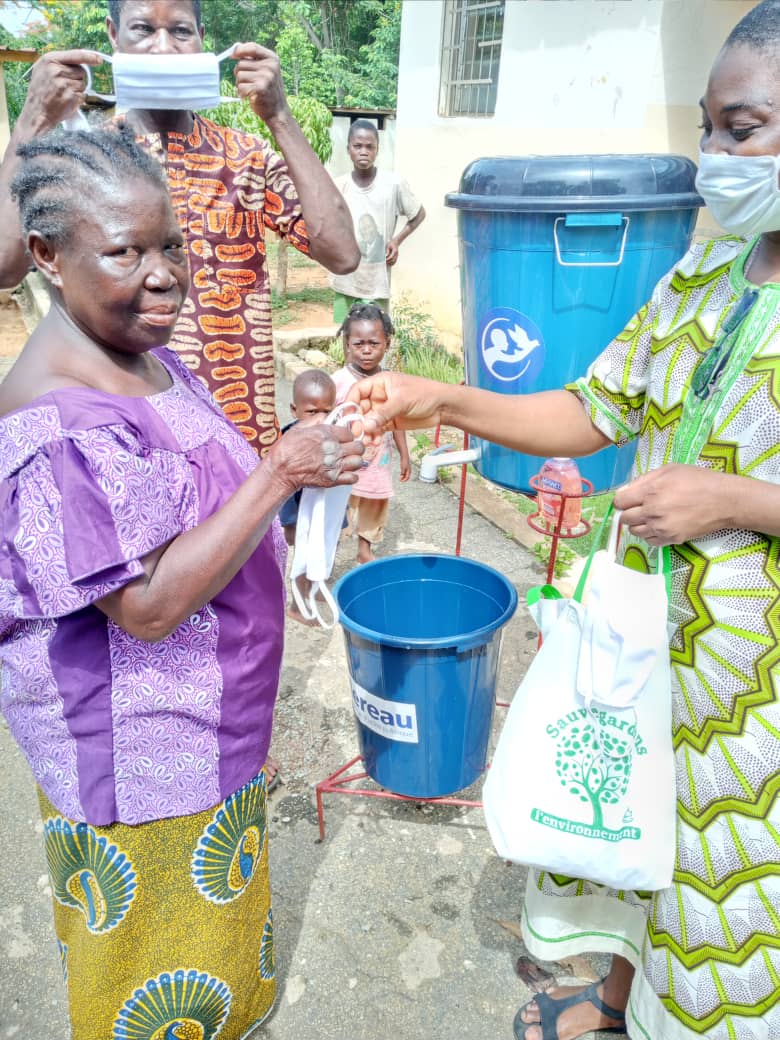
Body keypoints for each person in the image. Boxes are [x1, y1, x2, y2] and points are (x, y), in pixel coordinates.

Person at [347, 4, 780, 1037]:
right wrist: (438, 396)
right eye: (712, 130)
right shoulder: (711, 271)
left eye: (744, 128)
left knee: (730, 885)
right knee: (643, 842)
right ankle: (618, 994)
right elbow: (594, 408)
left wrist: (734, 499)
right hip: (651, 648)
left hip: (756, 698)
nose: (714, 156)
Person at [0, 126, 362, 1040]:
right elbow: (150, 606)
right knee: (153, 983)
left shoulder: (138, 351)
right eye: (126, 251)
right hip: (142, 768)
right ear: (46, 256)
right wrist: (280, 475)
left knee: (214, 961)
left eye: (172, 245)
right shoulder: (57, 429)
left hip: (205, 733)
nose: (165, 274)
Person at [0, 0, 359, 458]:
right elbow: (4, 267)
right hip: (127, 436)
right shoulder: (84, 163)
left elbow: (343, 253)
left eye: (182, 32)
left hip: (237, 435)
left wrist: (280, 117)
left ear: (204, 40)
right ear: (113, 36)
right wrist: (34, 119)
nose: (164, 49)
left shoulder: (245, 158)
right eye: (144, 29)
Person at [333, 304, 411, 563]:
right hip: (344, 462)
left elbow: (397, 420)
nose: (366, 350)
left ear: (386, 343)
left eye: (374, 344)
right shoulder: (338, 382)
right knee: (340, 506)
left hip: (378, 461)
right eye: (359, 344)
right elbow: (326, 420)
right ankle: (329, 549)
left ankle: (364, 549)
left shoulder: (391, 382)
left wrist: (405, 454)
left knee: (373, 504)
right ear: (347, 344)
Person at [330, 119, 426, 324]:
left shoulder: (393, 184)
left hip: (377, 282)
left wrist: (396, 241)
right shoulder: (339, 186)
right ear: (348, 148)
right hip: (345, 279)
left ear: (377, 149)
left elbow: (418, 214)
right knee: (346, 337)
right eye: (357, 146)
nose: (363, 151)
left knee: (376, 335)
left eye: (369, 146)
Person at [278, 368, 346, 625]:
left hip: (327, 508)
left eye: (326, 411)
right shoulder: (290, 440)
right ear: (294, 410)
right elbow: (285, 484)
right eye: (312, 412)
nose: (321, 418)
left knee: (324, 549)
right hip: (299, 512)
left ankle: (312, 590)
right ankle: (297, 605)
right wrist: (290, 524)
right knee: (304, 556)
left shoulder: (335, 432)